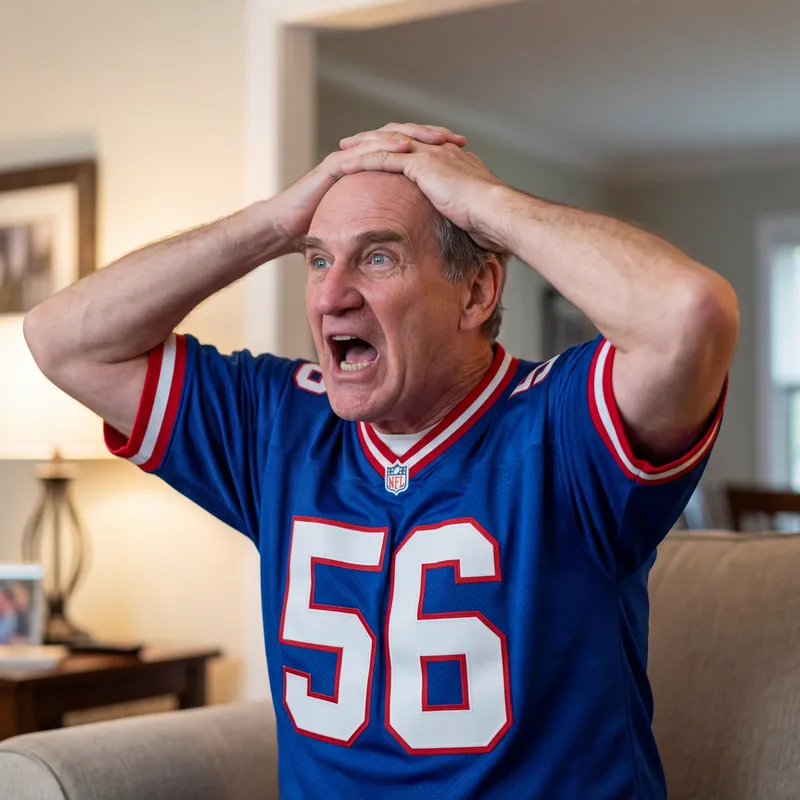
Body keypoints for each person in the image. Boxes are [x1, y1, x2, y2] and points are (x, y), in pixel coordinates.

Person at [24, 123, 738, 799]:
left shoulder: (561, 426)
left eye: (377, 256)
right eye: (318, 260)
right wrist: (277, 221)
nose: (332, 295)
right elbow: (62, 340)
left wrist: (486, 204)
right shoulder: (278, 424)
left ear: (477, 291)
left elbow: (690, 315)